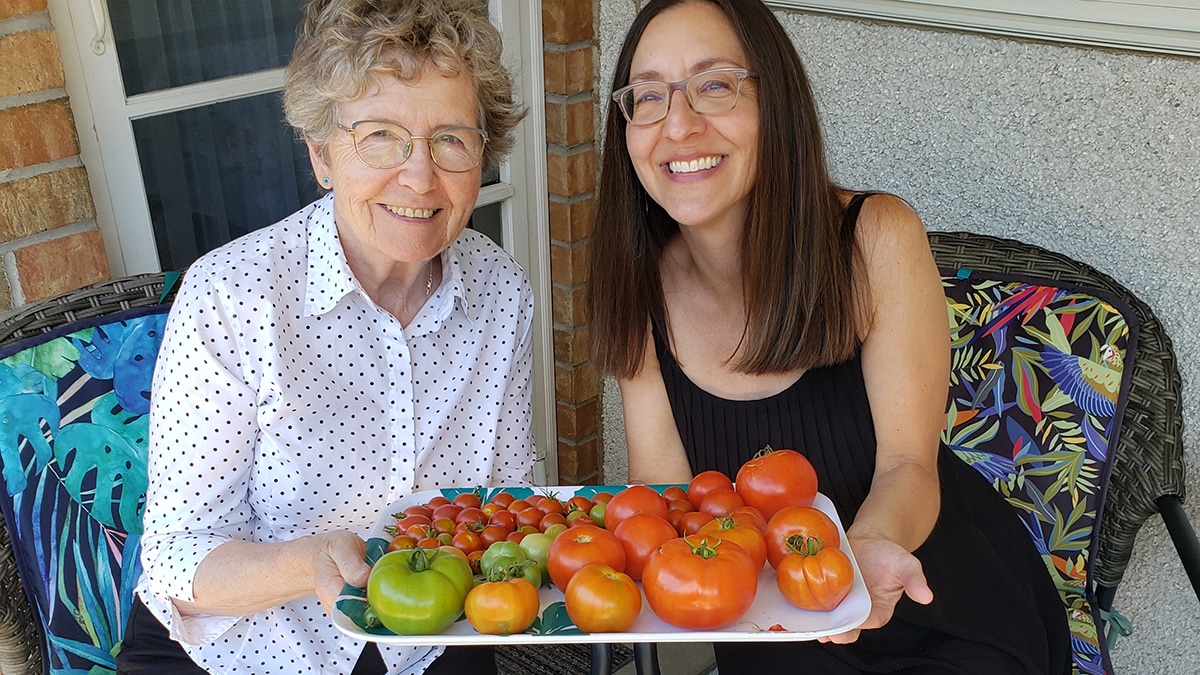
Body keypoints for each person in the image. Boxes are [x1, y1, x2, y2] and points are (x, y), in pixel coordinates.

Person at [586, 1, 1071, 673]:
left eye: (715, 84)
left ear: (774, 102)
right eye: (649, 97)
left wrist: (857, 552)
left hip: (938, 609)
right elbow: (669, 502)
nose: (679, 124)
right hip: (781, 635)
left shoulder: (874, 239)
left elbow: (910, 465)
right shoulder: (642, 291)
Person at [119, 1, 533, 673]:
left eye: (452, 138)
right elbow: (174, 555)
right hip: (249, 648)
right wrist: (309, 559)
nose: (420, 175)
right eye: (379, 135)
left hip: (425, 635)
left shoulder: (501, 292)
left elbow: (507, 494)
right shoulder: (233, 296)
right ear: (320, 155)